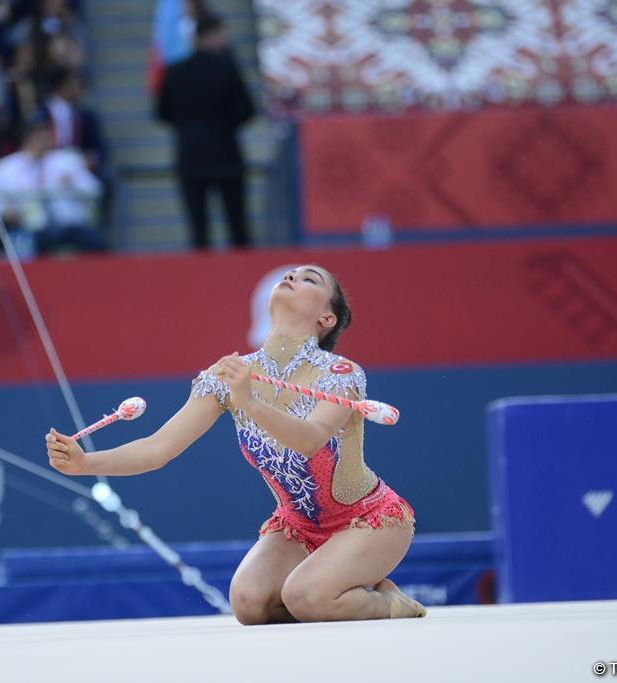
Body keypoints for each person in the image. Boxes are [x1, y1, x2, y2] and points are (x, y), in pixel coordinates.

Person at [45, 265, 427, 624]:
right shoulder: (229, 375)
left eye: (310, 279)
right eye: (293, 273)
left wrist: (250, 403)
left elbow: (310, 440)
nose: (294, 275)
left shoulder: (340, 373)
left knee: (305, 596)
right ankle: (333, 588)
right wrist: (84, 463)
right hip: (297, 526)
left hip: (367, 521)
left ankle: (387, 600)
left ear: (326, 319)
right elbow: (157, 449)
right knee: (248, 604)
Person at [156, 14, 254, 250]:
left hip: (190, 156)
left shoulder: (175, 71)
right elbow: (247, 110)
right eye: (222, 35)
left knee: (198, 229)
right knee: (237, 225)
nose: (226, 41)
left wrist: (188, 125)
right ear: (208, 36)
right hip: (226, 155)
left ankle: (200, 280)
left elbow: (162, 112)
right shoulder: (227, 68)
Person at [0, 109, 105, 254]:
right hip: (26, 229)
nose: (43, 137)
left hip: (68, 228)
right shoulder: (6, 168)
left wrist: (73, 183)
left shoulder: (67, 161)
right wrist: (5, 213)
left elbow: (95, 190)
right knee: (27, 242)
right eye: (37, 132)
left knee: (95, 242)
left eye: (46, 131)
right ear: (26, 136)